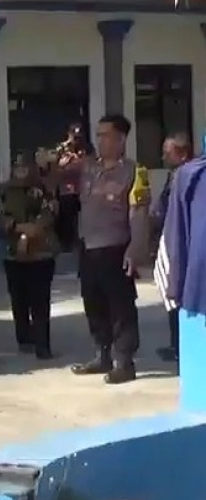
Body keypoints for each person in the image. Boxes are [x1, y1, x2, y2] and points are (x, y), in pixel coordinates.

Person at [72, 114, 150, 385]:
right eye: (98, 135)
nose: (100, 140)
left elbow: (138, 214)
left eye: (105, 135)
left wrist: (135, 251)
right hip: (89, 249)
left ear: (121, 139)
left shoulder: (133, 172)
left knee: (121, 309)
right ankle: (101, 354)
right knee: (93, 304)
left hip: (116, 249)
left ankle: (124, 362)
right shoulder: (88, 169)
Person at [0, 153, 59, 359]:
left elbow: (50, 211)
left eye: (25, 168)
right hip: (13, 254)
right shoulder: (3, 190)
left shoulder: (42, 189)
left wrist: (34, 229)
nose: (22, 172)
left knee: (40, 300)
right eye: (17, 168)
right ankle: (24, 338)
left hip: (41, 253)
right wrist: (19, 229)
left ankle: (43, 345)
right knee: (18, 299)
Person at [152, 134, 191, 363]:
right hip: (168, 239)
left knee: (177, 295)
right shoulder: (174, 175)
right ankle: (175, 344)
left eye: (169, 152)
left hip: (180, 245)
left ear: (183, 154)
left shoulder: (187, 177)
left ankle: (180, 346)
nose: (164, 157)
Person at [52, 123, 93, 251]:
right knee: (67, 213)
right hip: (67, 190)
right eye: (74, 136)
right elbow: (54, 168)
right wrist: (65, 161)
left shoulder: (88, 148)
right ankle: (68, 243)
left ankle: (88, 240)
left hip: (85, 188)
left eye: (79, 136)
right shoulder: (62, 148)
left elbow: (94, 164)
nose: (77, 140)